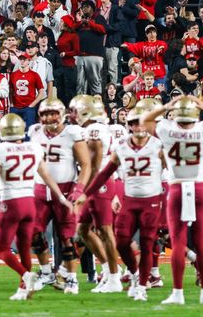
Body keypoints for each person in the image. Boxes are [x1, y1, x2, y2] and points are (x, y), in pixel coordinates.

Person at [141, 95, 203, 305]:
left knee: (179, 240)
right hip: (199, 187)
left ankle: (178, 293)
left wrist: (165, 106)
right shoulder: (202, 129)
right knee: (200, 241)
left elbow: (145, 120)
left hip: (177, 187)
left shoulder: (165, 128)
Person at [76, 104, 165, 302]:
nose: (139, 126)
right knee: (122, 240)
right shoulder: (121, 146)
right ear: (130, 125)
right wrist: (86, 193)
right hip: (130, 199)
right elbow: (105, 173)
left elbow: (173, 168)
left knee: (147, 242)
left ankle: (141, 285)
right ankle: (134, 275)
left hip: (151, 200)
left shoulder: (159, 145)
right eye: (134, 123)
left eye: (142, 122)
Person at [0, 113, 73, 301]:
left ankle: (25, 276)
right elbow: (47, 176)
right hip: (30, 204)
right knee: (24, 247)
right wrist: (62, 198)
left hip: (11, 203)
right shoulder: (34, 147)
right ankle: (24, 289)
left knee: (1, 248)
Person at [30, 97, 91, 295]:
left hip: (65, 190)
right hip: (40, 189)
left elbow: (86, 164)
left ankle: (71, 279)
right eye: (45, 114)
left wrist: (79, 189)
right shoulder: (34, 132)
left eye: (52, 113)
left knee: (67, 237)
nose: (48, 118)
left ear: (61, 114)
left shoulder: (72, 133)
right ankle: (46, 272)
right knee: (34, 233)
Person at [70, 95, 121, 294]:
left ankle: (115, 277)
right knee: (83, 229)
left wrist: (84, 190)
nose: (73, 115)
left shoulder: (94, 130)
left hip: (99, 183)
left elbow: (94, 165)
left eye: (76, 110)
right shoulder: (93, 128)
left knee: (105, 230)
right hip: (98, 182)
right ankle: (108, 271)